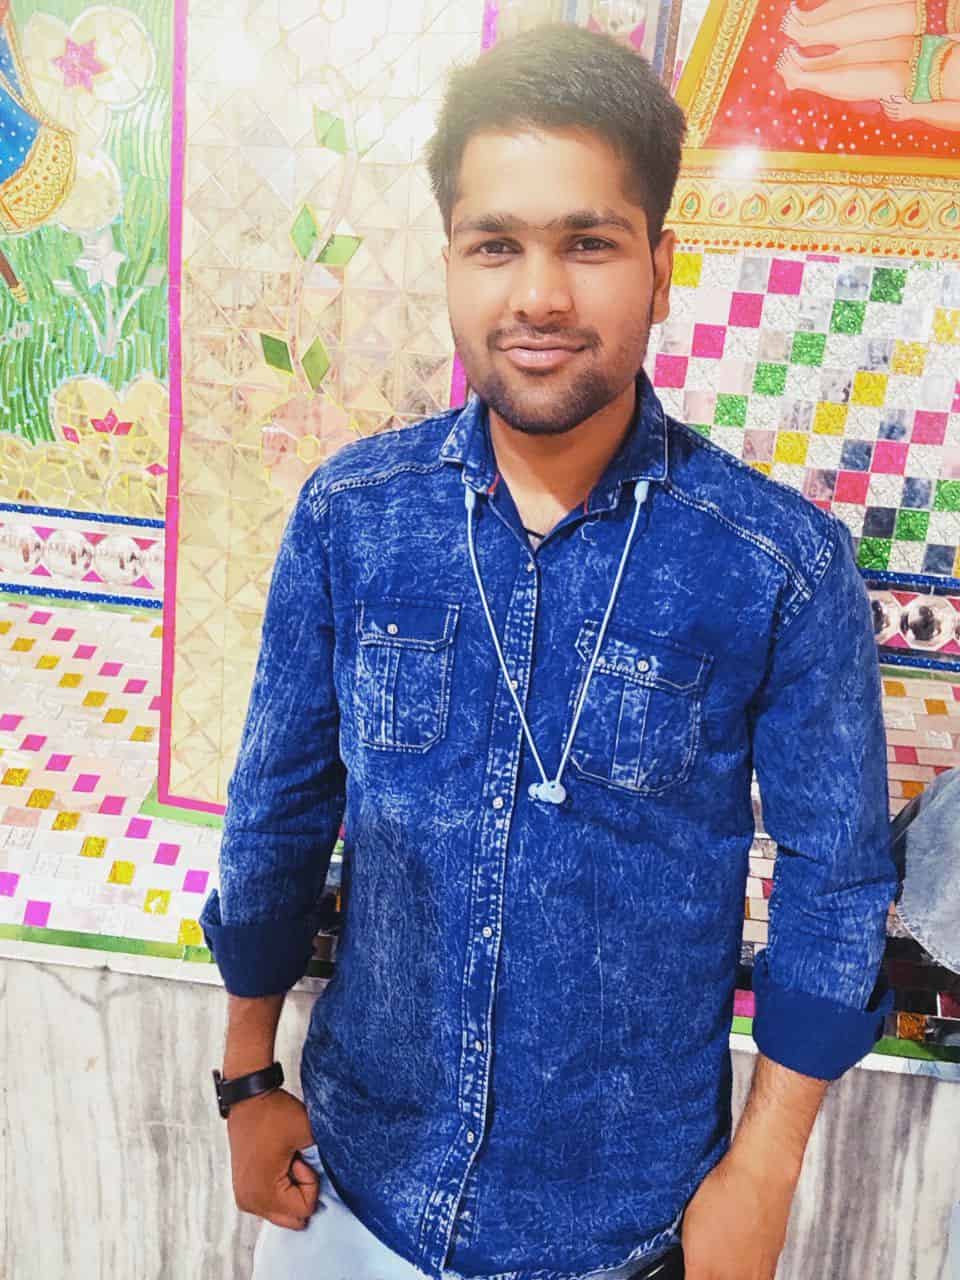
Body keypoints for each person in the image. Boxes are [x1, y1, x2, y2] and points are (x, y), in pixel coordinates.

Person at [200, 23, 898, 1280]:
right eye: (495, 245)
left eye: (588, 242)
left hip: (624, 1226)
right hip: (355, 1190)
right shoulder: (353, 516)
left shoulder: (778, 564)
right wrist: (247, 1075)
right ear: (450, 262)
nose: (538, 296)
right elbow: (277, 814)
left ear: (660, 266)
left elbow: (836, 881)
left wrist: (765, 1168)